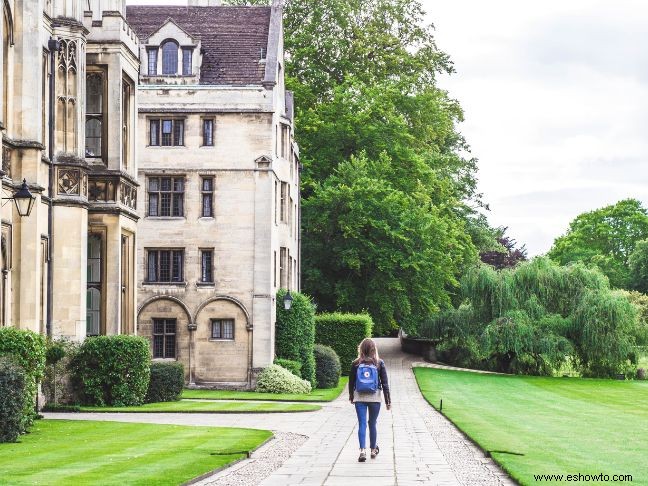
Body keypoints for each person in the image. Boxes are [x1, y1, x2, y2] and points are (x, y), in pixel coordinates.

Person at [348, 338, 391, 462]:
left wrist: (351, 396)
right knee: (372, 423)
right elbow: (385, 384)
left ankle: (362, 451)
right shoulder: (379, 363)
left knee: (361, 424)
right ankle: (373, 450)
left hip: (359, 397)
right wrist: (388, 401)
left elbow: (351, 383)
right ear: (374, 349)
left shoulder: (356, 363)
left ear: (361, 348)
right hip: (375, 398)